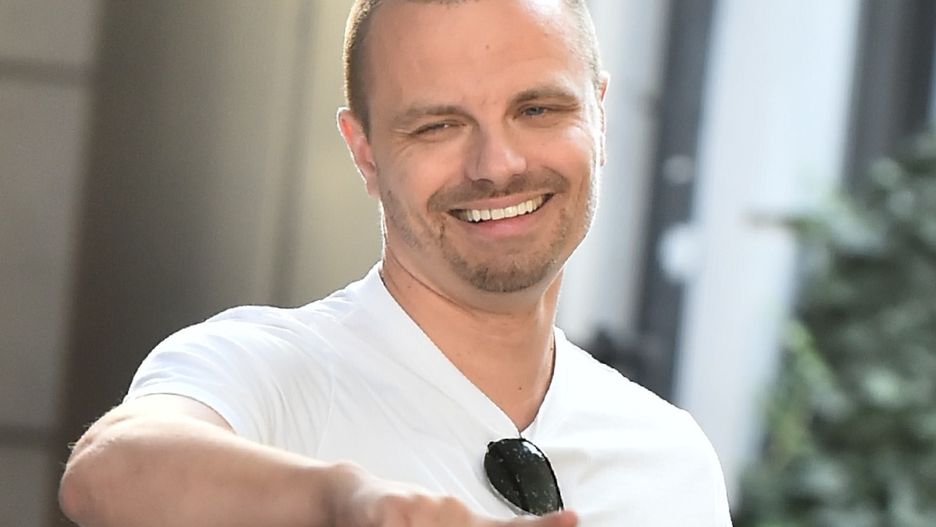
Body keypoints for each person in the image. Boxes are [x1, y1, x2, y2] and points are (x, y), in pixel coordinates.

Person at [59, 0, 733, 525]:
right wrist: (347, 502)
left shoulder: (670, 461)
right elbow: (108, 470)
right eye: (438, 125)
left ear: (600, 118)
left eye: (537, 108)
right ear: (365, 153)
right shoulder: (269, 372)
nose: (497, 165)